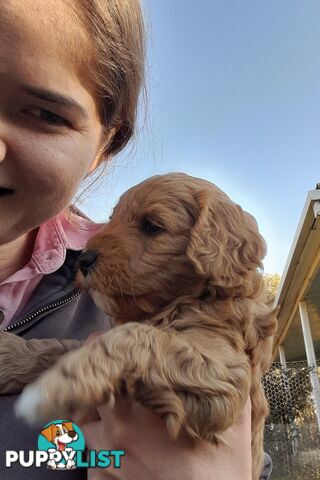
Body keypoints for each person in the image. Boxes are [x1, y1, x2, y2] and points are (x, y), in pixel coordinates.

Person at [0, 1, 272, 479]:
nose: (101, 246)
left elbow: (208, 394)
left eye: (151, 228)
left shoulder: (212, 326)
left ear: (104, 145)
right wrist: (27, 358)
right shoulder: (133, 317)